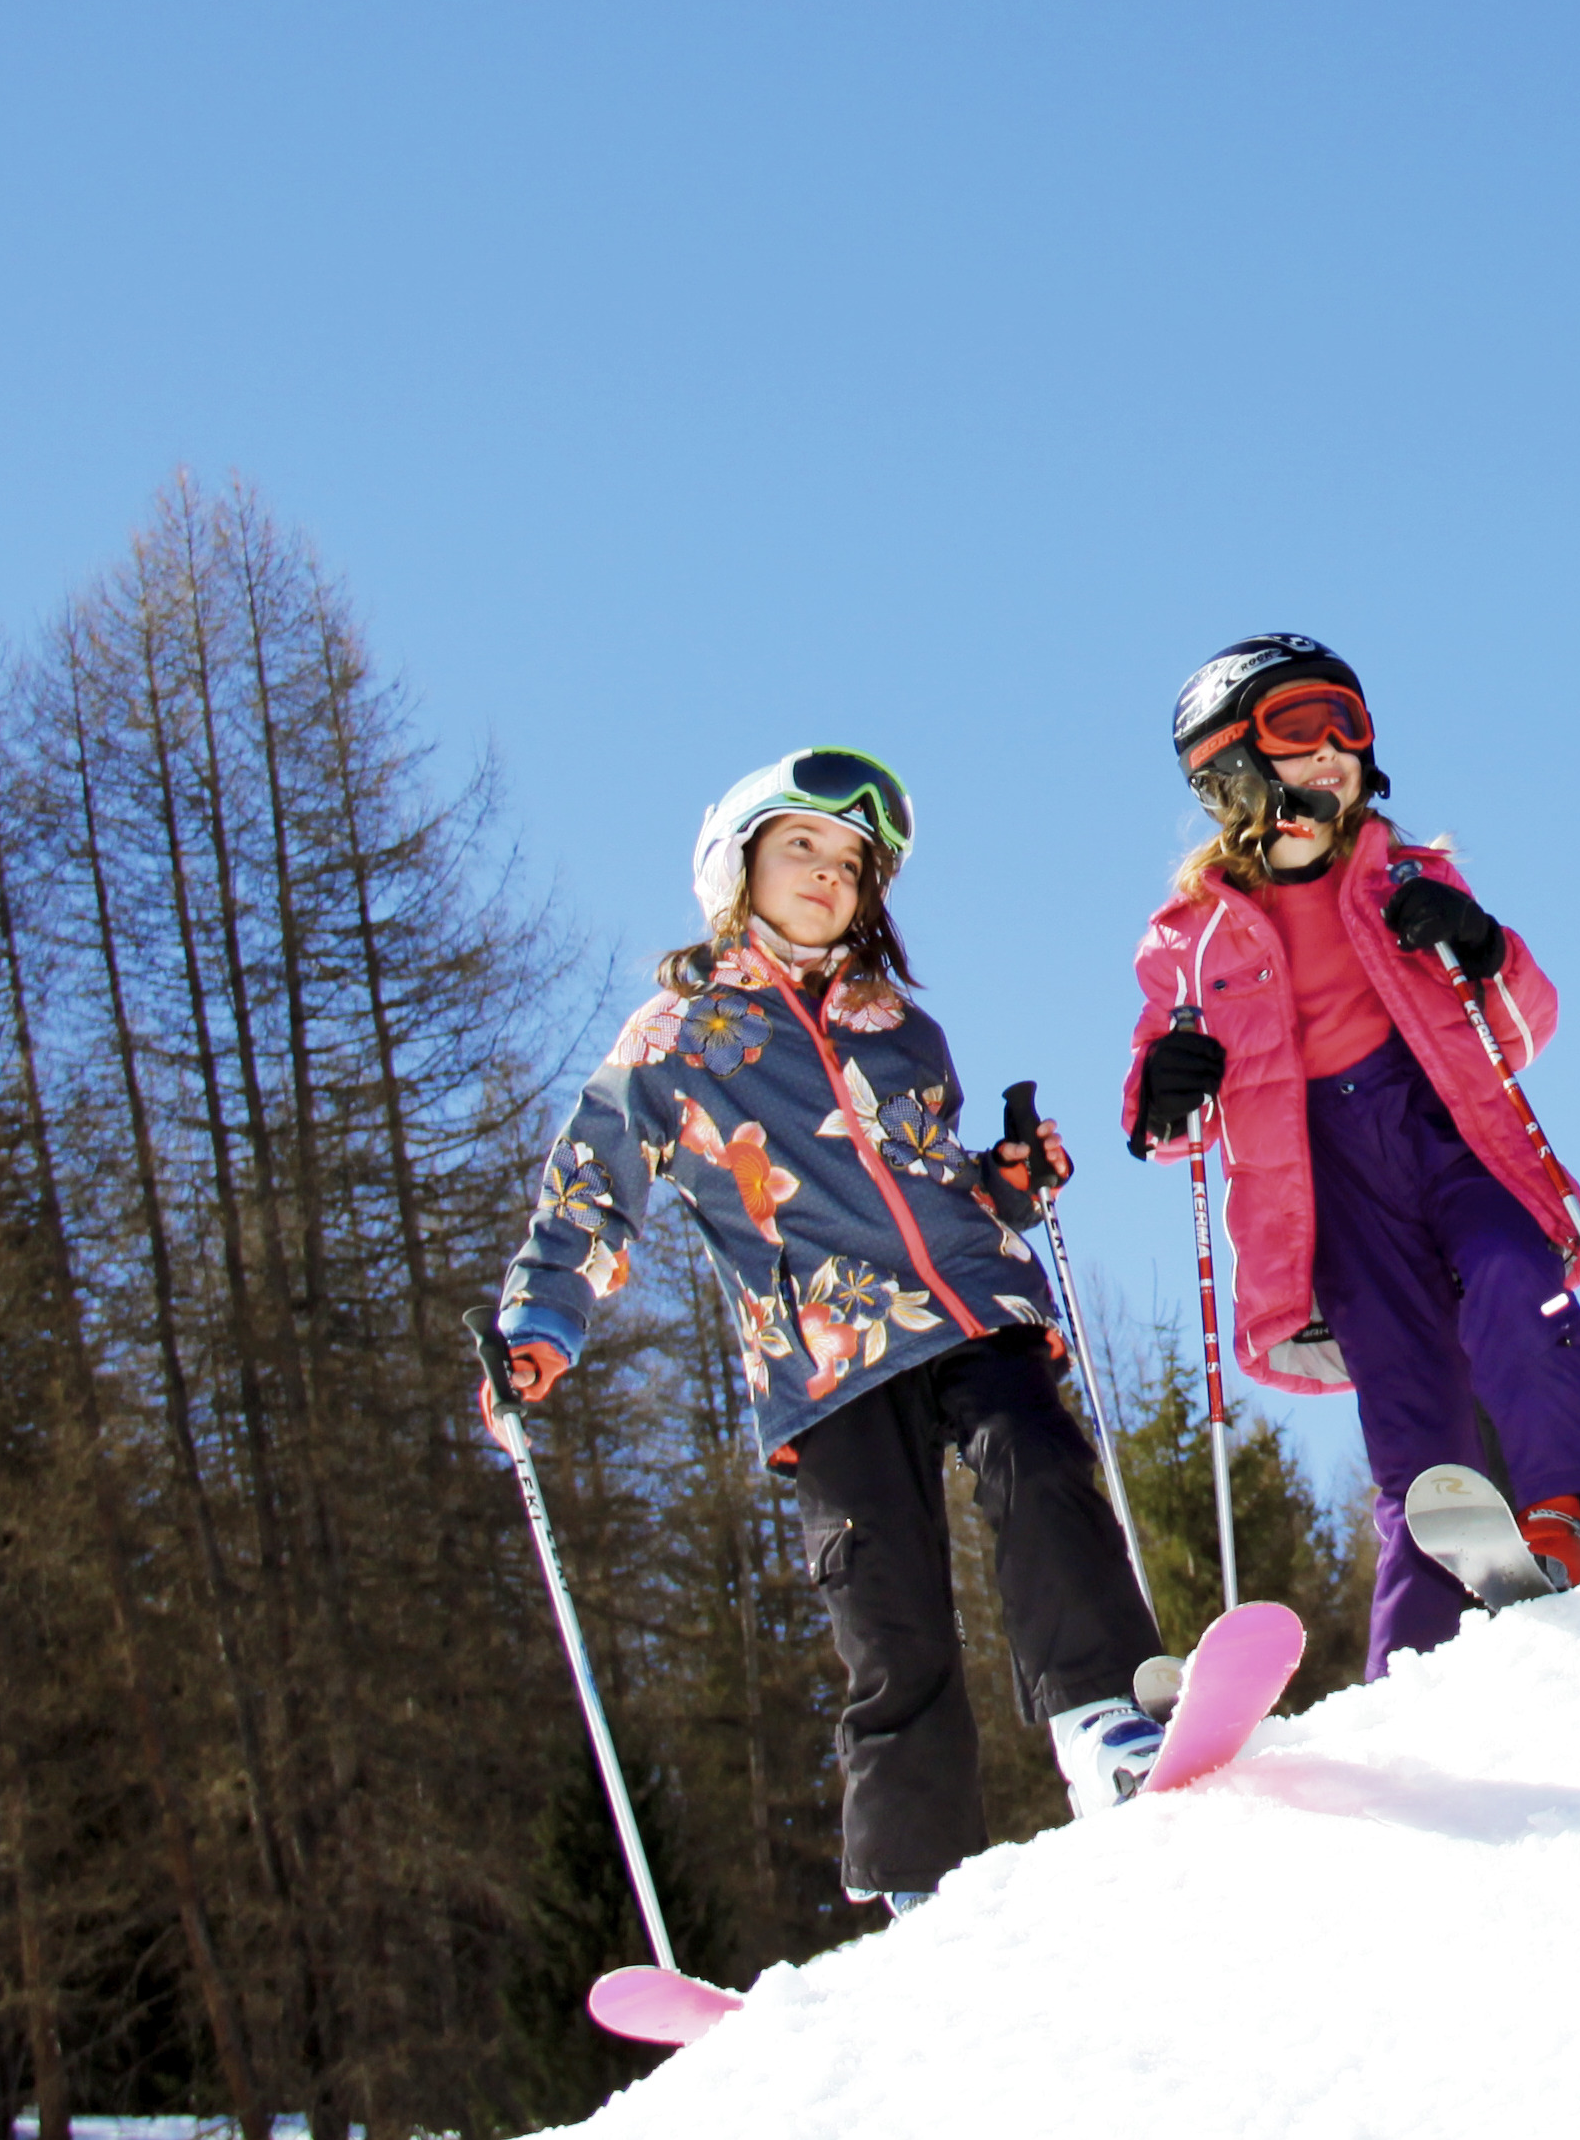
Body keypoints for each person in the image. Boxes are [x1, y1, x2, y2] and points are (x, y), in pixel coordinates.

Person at [488, 747, 1163, 1923]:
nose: (827, 873)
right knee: (887, 1603)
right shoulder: (677, 1037)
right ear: (734, 865)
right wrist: (545, 1319)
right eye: (800, 845)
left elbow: (933, 1176)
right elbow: (594, 1186)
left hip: (968, 1310)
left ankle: (1105, 1720)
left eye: (851, 861)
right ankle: (916, 1878)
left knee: (1039, 1465)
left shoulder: (901, 1029)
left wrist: (1005, 1187)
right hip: (827, 1355)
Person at [1116, 635, 1580, 1676]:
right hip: (1326, 1180)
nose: (1336, 751)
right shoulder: (1193, 936)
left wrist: (1479, 947)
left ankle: (1560, 1511)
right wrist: (1165, 1094)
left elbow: (1521, 1027)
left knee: (1513, 1283)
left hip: (1448, 1133)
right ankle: (1416, 1646)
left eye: (1349, 726)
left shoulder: (1405, 873)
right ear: (1229, 769)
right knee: (1409, 1402)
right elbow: (1170, 1123)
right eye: (1302, 730)